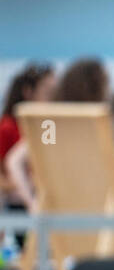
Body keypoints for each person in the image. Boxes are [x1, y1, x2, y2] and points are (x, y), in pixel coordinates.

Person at [5, 58, 110, 209]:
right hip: (63, 208)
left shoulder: (68, 124)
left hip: (77, 206)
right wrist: (32, 203)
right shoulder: (54, 125)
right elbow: (15, 161)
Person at [0, 63, 55, 210]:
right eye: (47, 93)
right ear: (28, 92)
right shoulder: (8, 127)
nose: (51, 100)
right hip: (17, 205)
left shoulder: (47, 126)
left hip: (41, 200)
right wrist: (26, 184)